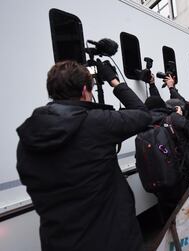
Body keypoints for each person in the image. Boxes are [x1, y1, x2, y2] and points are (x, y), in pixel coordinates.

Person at [16, 60, 152, 251]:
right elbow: (143, 114)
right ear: (84, 91)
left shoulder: (28, 135)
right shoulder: (96, 123)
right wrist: (114, 81)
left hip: (57, 242)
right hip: (111, 241)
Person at [144, 91, 189, 221]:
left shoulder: (143, 123)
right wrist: (180, 116)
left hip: (155, 174)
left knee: (165, 207)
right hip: (178, 173)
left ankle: (169, 235)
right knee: (182, 207)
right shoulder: (173, 118)